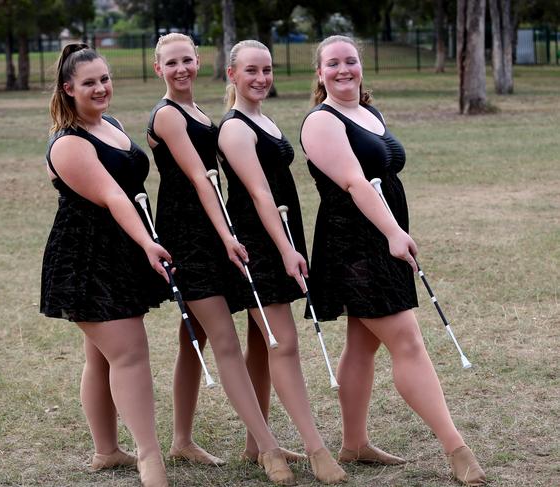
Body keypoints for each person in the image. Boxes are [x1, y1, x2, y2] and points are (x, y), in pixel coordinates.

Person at [300, 35, 487, 486]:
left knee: (362, 343)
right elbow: (356, 184)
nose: (343, 70)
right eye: (333, 63)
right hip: (355, 245)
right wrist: (393, 233)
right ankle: (456, 448)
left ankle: (354, 443)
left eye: (351, 61)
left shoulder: (368, 112)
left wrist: (394, 231)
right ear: (320, 72)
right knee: (408, 342)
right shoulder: (320, 123)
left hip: (380, 238)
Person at [148, 32, 296, 485]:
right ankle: (267, 448)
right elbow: (199, 178)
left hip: (212, 233)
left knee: (191, 337)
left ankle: (182, 439)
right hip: (189, 238)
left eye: (187, 60)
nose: (181, 69)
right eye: (171, 63)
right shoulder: (168, 116)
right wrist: (228, 233)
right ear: (159, 69)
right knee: (223, 340)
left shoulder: (201, 112)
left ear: (199, 62)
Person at [217, 39, 349, 485]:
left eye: (267, 70)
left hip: (281, 239)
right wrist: (287, 248)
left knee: (264, 342)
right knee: (284, 342)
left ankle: (258, 444)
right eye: (251, 71)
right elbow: (259, 194)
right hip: (259, 245)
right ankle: (316, 448)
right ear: (231, 74)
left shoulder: (264, 120)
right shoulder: (235, 129)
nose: (260, 79)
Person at [40, 43, 171, 487]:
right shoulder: (69, 144)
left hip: (119, 252)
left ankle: (107, 451)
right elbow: (114, 195)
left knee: (101, 357)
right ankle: (149, 459)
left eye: (104, 78)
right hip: (86, 261)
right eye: (89, 82)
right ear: (68, 88)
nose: (100, 87)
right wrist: (149, 243)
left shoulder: (110, 125)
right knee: (130, 354)